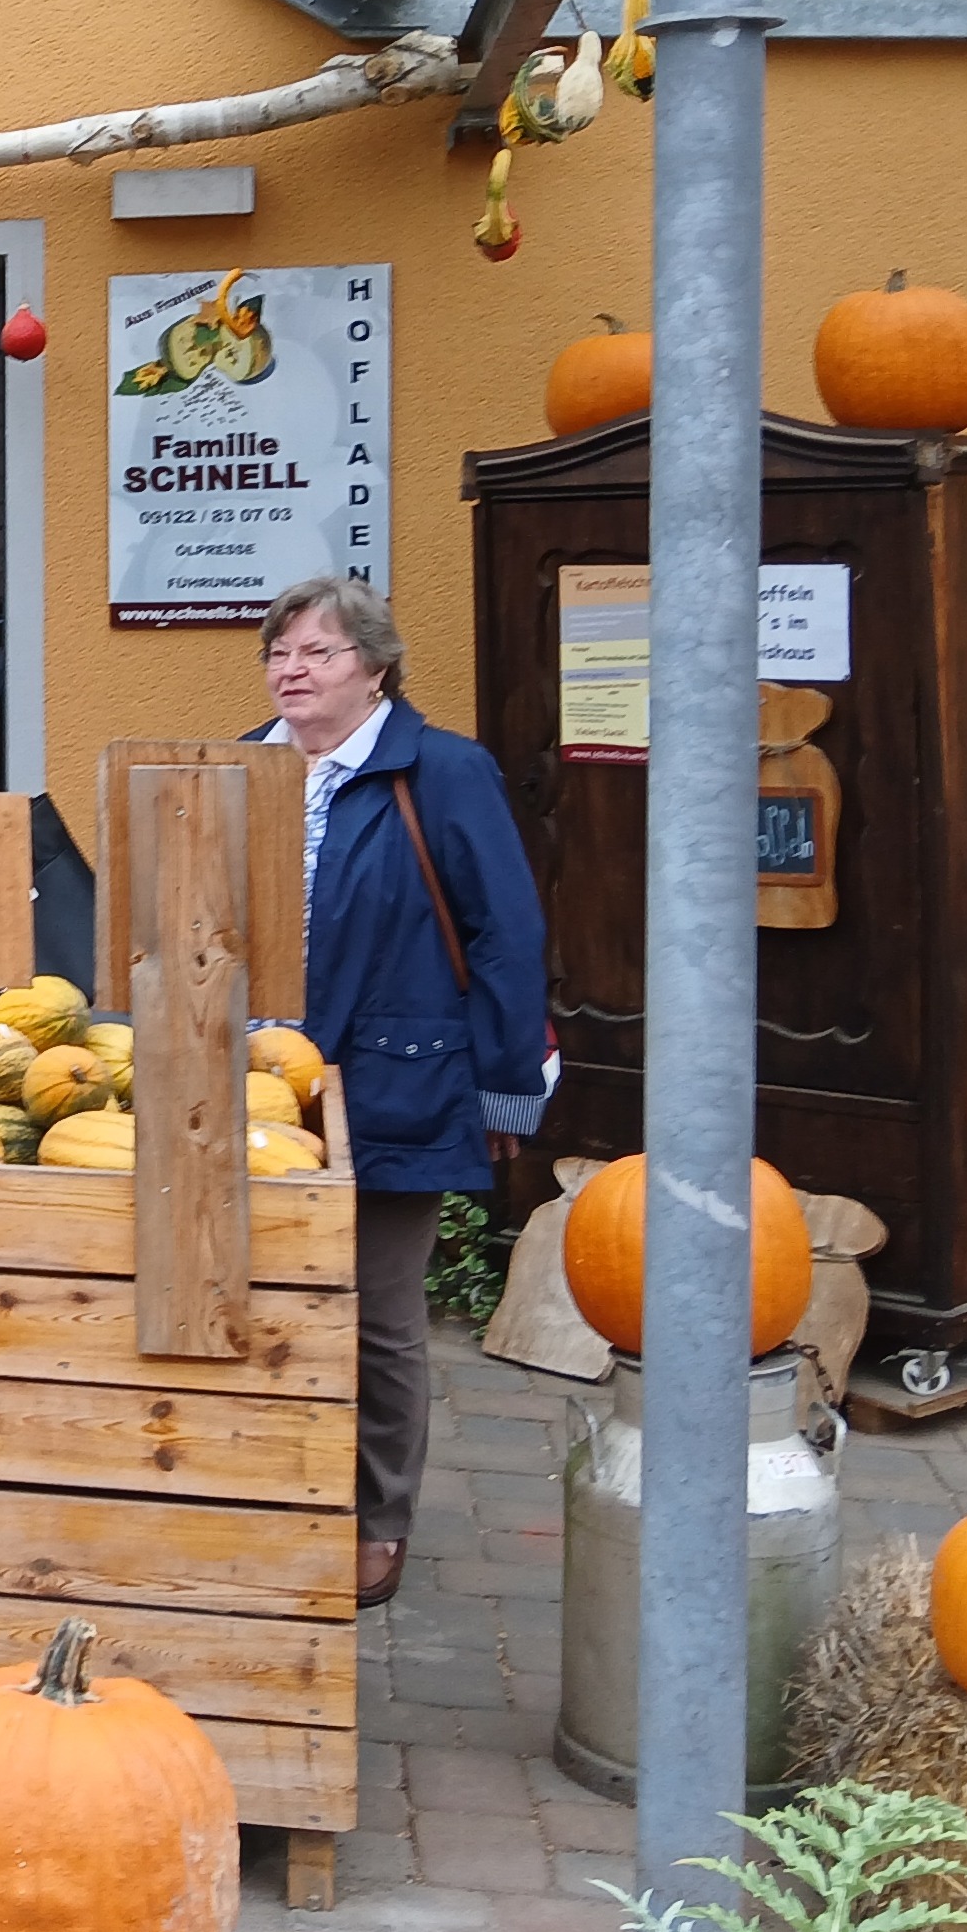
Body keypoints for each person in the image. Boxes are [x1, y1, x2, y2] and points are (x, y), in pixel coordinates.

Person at [254, 574, 551, 1611]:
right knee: (267, 1300)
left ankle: (379, 1516)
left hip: (397, 1076)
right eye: (281, 652)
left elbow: (506, 938)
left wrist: (507, 1093)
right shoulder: (248, 765)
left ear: (376, 666)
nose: (293, 669)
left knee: (379, 1312)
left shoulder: (444, 770)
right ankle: (278, 1495)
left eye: (318, 652)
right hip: (258, 1090)